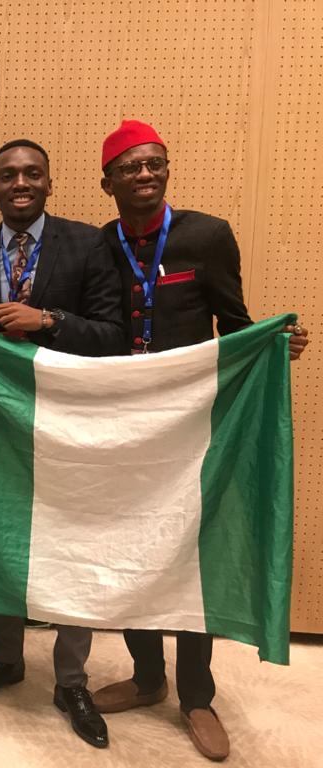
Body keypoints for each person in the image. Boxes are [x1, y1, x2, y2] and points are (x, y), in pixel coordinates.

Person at [91, 119, 310, 762]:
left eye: (156, 164)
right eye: (131, 167)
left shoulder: (208, 235)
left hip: (192, 423)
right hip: (120, 421)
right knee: (129, 546)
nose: (146, 174)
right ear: (107, 182)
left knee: (191, 553)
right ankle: (147, 677)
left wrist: (274, 345)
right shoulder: (98, 245)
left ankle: (196, 695)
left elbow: (237, 323)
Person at [0, 139, 123, 749]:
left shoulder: (89, 243)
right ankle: (6, 658)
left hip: (75, 424)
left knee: (75, 545)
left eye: (33, 173)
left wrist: (49, 321)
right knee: (1, 535)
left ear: (50, 183)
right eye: (8, 175)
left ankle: (72, 679)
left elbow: (113, 334)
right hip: (2, 425)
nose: (20, 183)